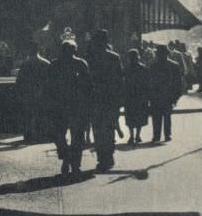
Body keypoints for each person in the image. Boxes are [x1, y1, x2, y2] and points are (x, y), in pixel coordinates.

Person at [47, 40, 91, 175]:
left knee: (61, 135)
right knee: (73, 136)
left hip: (64, 106)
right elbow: (88, 87)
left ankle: (69, 160)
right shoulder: (79, 64)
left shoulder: (58, 64)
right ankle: (71, 161)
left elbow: (48, 86)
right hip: (71, 106)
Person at [87, 30, 124, 172]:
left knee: (97, 130)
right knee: (110, 128)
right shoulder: (114, 57)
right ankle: (109, 156)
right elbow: (120, 80)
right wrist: (119, 100)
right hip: (111, 100)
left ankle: (101, 158)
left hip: (96, 99)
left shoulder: (90, 57)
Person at [16, 42, 50, 143]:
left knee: (28, 115)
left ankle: (29, 136)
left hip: (28, 93)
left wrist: (20, 94)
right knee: (41, 114)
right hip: (42, 93)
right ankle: (41, 135)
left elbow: (19, 81)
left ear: (29, 50)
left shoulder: (25, 64)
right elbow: (50, 81)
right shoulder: (46, 63)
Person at [149, 45, 183, 142]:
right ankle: (163, 135)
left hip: (165, 95)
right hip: (163, 95)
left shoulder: (154, 66)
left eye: (161, 54)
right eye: (159, 54)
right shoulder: (172, 65)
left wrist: (176, 96)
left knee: (160, 116)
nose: (160, 56)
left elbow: (178, 83)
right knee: (163, 116)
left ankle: (159, 135)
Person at [123, 49, 149, 144]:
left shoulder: (126, 69)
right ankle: (137, 135)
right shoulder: (143, 68)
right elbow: (147, 83)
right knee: (140, 116)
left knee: (130, 117)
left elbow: (124, 83)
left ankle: (131, 136)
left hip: (130, 95)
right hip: (140, 95)